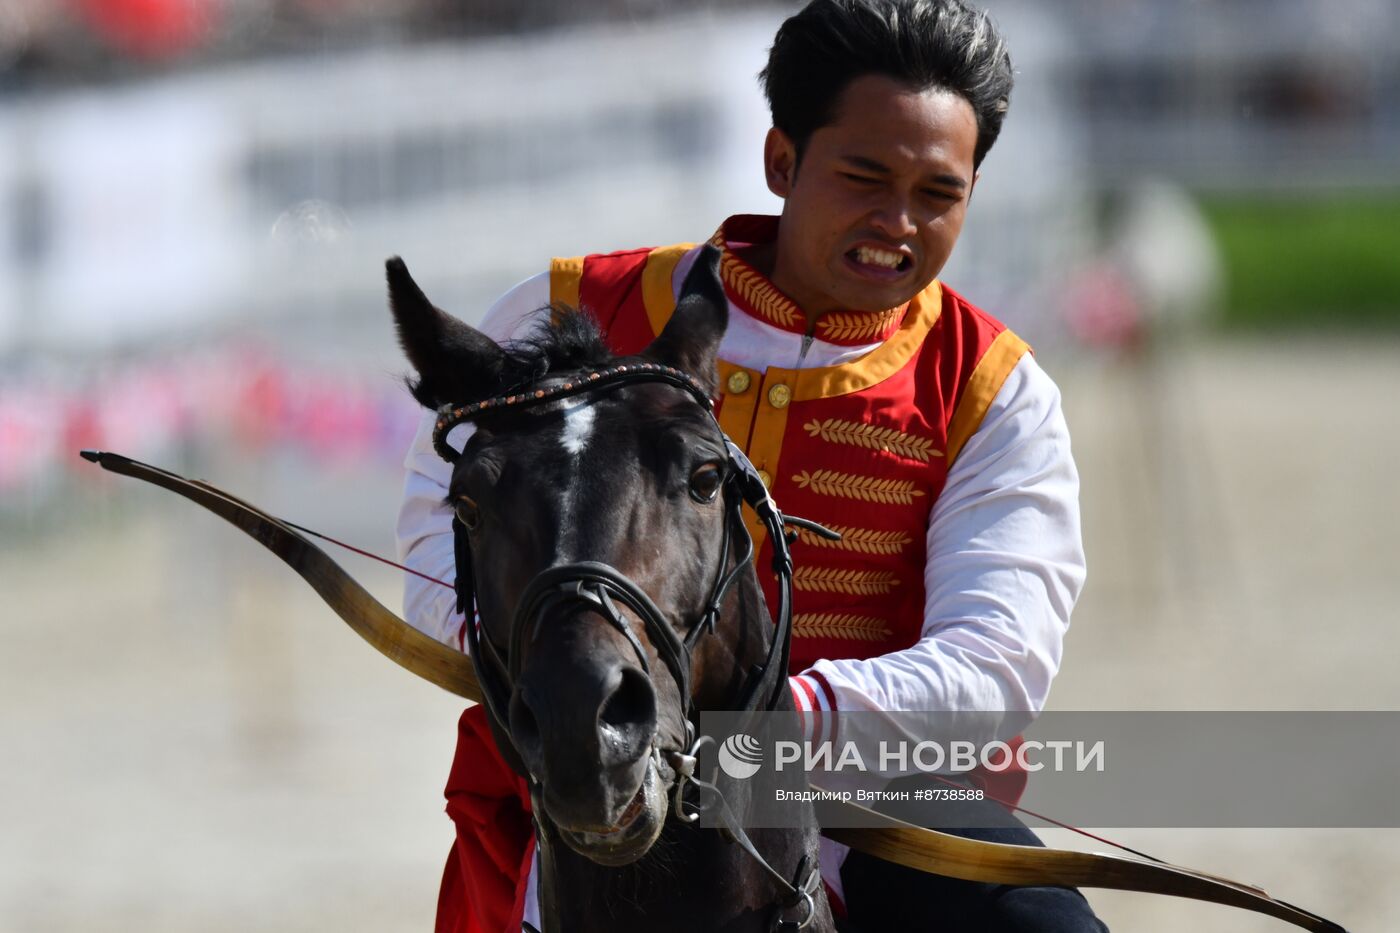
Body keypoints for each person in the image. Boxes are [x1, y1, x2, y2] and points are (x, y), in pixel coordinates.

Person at [395, 1, 1095, 930]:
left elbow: (995, 660)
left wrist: (770, 733)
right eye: (864, 176)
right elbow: (438, 522)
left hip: (871, 803)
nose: (898, 222)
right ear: (781, 162)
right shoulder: (573, 307)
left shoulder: (993, 390)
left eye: (939, 194)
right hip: (586, 766)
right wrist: (568, 670)